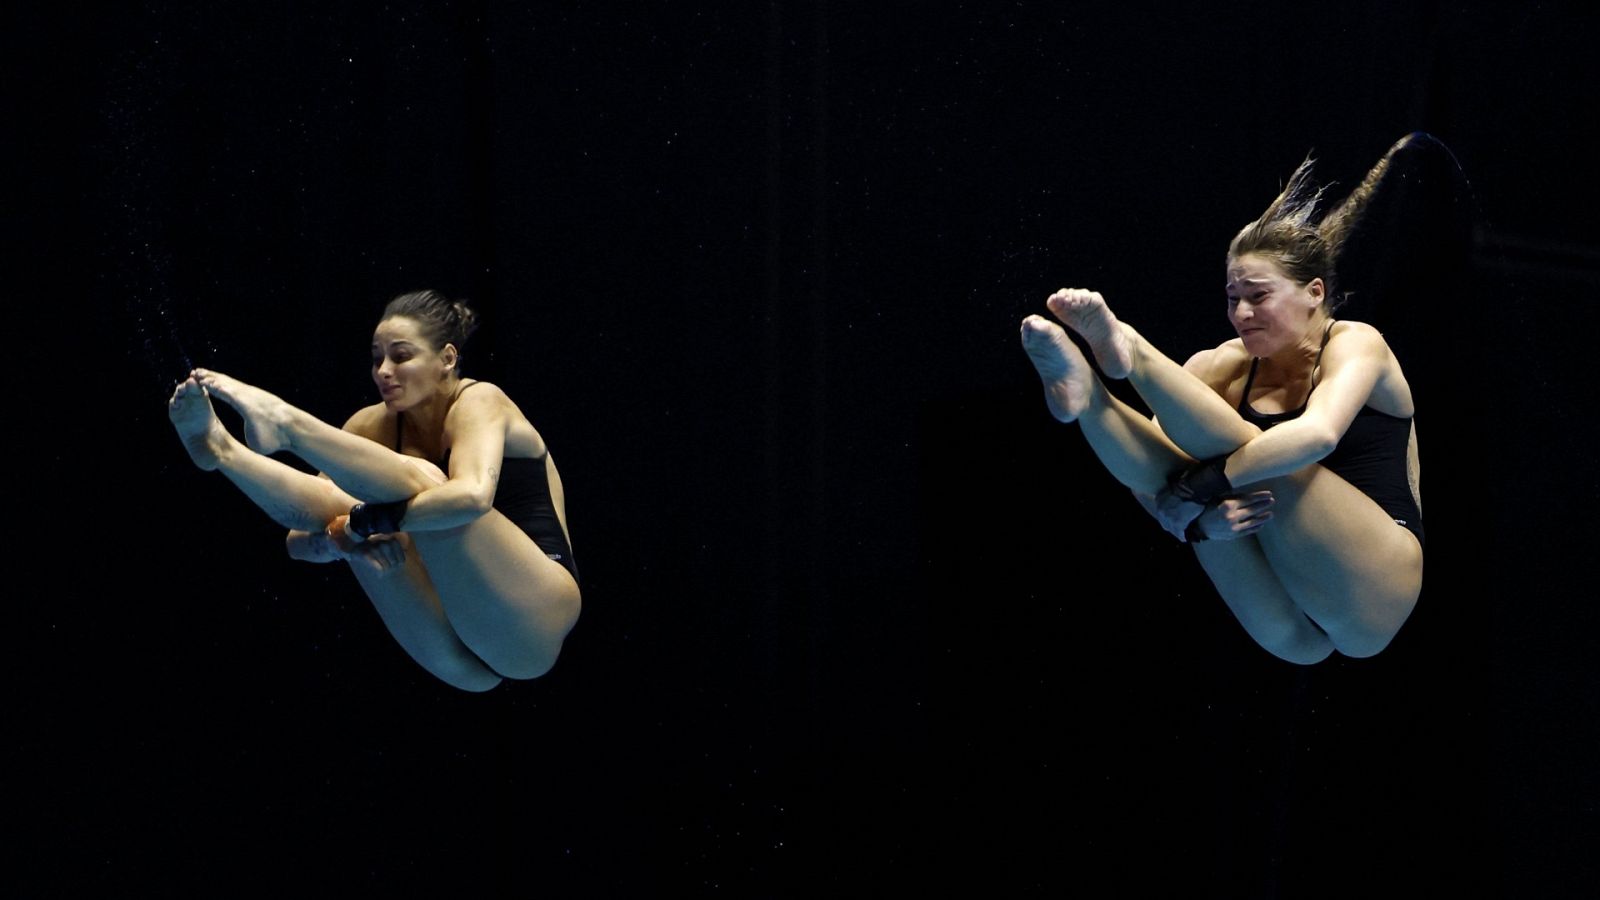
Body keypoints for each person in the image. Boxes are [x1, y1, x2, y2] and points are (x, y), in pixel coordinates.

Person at [1020, 135, 1428, 664]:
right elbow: (1154, 485)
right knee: (1182, 477)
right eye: (1233, 299)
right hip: (1284, 628)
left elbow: (1318, 434)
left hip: (1377, 586)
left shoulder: (1355, 343)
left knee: (1257, 454)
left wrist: (1204, 487)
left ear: (1314, 294)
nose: (1241, 314)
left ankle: (1132, 349)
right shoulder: (1219, 366)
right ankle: (1087, 392)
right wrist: (1193, 521)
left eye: (1258, 296)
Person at [168, 289, 580, 691]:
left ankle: (287, 424)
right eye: (377, 358)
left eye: (401, 356)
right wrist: (343, 541)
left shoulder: (480, 401)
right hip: (452, 652)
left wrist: (365, 521)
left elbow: (472, 497)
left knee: (422, 485)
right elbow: (299, 540)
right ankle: (222, 451)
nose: (384, 370)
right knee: (360, 533)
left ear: (447, 359)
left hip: (533, 618)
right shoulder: (372, 426)